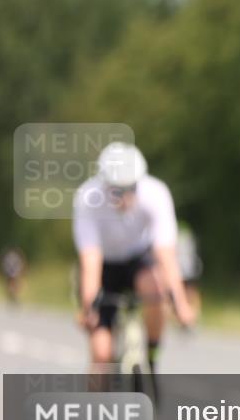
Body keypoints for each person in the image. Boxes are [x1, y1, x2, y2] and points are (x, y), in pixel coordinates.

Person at [72, 142, 197, 375]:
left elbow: (166, 256)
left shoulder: (156, 194)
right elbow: (90, 262)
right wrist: (89, 307)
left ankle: (151, 357)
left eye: (131, 189)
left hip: (137, 260)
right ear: (105, 184)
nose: (124, 197)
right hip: (103, 267)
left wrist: (180, 305)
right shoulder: (88, 199)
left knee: (157, 289)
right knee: (101, 356)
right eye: (116, 190)